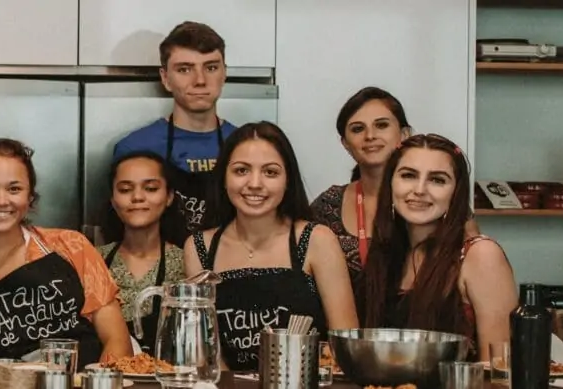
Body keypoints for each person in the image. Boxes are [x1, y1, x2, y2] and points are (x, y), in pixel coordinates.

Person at [0, 139, 133, 372]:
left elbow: (117, 341)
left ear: (30, 197)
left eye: (14, 189)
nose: (1, 200)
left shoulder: (71, 246)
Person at [183, 122, 358, 369]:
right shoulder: (199, 247)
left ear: (288, 180)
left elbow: (346, 346)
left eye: (270, 172)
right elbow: (206, 354)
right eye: (241, 171)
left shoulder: (316, 240)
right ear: (223, 177)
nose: (255, 183)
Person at [358, 134, 517, 360]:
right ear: (390, 183)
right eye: (409, 175)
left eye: (437, 180)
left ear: (456, 193)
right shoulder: (386, 253)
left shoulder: (481, 255)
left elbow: (499, 370)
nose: (420, 189)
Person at [310, 87, 479, 275]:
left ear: (404, 135)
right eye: (358, 129)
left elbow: (474, 267)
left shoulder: (431, 199)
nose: (370, 136)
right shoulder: (328, 204)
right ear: (346, 144)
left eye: (381, 125)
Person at [110, 21, 237, 236]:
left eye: (211, 67)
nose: (200, 80)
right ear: (165, 78)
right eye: (185, 69)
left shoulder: (244, 144)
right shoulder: (135, 147)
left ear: (224, 74)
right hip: (163, 266)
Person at [98, 152, 187, 353]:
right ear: (113, 200)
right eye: (125, 189)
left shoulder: (188, 262)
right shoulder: (94, 260)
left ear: (169, 197)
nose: (137, 197)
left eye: (151, 188)